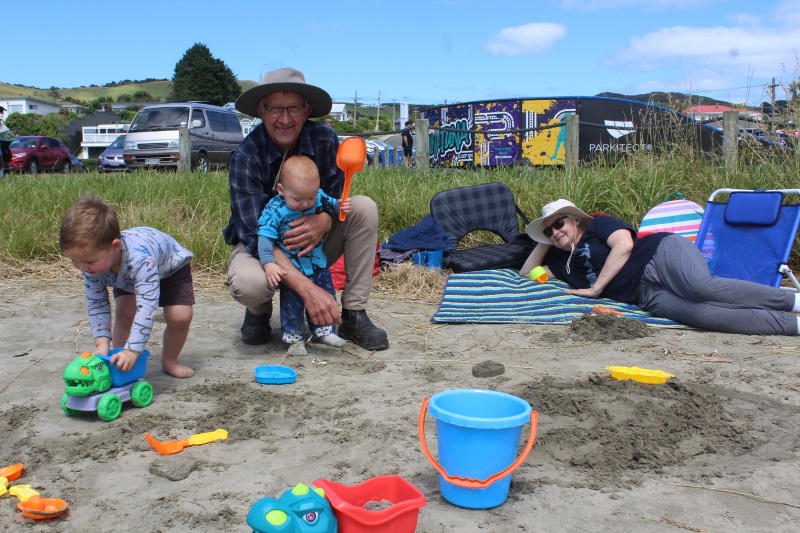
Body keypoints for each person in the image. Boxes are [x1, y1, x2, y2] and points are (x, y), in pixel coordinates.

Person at [224, 67, 388, 351]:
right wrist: (310, 291)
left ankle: (353, 313)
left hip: (313, 243)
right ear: (261, 111)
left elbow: (336, 196)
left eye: (294, 108)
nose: (285, 119)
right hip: (266, 246)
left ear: (307, 109)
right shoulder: (246, 156)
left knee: (363, 207)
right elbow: (253, 234)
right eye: (276, 108)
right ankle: (259, 310)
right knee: (250, 285)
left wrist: (324, 221)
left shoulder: (324, 139)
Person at [520, 199, 800, 336]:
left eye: (560, 223)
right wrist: (544, 239)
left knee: (700, 287)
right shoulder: (563, 265)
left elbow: (625, 246)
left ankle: (794, 301)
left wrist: (596, 288)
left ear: (576, 220)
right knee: (702, 315)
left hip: (659, 254)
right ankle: (793, 324)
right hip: (643, 294)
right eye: (549, 231)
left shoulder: (597, 226)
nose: (556, 231)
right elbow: (525, 272)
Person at [60, 193, 196, 377]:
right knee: (125, 313)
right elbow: (97, 304)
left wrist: (134, 350)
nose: (82, 268)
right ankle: (119, 362)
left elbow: (147, 306)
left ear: (114, 247)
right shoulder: (92, 264)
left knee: (179, 317)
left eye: (89, 262)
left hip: (170, 268)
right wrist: (101, 344)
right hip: (125, 275)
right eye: (74, 260)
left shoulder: (139, 260)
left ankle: (169, 359)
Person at [258, 155, 350, 355]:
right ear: (281, 190)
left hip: (317, 262)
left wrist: (340, 206)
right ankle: (294, 338)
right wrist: (269, 264)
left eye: (310, 198)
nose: (305, 204)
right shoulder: (274, 210)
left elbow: (331, 204)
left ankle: (324, 331)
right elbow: (264, 238)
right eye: (298, 199)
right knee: (292, 303)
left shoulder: (317, 196)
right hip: (291, 266)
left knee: (326, 293)